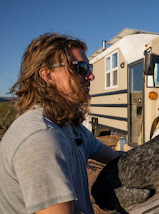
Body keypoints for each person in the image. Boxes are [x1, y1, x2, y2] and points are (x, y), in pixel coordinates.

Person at [0, 33, 122, 213]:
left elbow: (112, 156)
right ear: (47, 75)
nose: (90, 76)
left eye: (89, 67)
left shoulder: (69, 126)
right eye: (80, 68)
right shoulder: (41, 138)